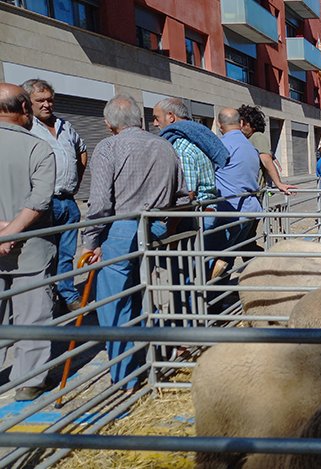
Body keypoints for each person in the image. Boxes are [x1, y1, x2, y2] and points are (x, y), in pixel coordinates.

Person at [81, 94, 186, 393]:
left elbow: (100, 203)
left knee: (115, 304)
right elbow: (181, 196)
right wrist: (166, 226)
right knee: (143, 297)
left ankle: (125, 377)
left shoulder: (108, 147)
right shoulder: (165, 146)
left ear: (109, 123)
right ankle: (142, 362)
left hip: (122, 229)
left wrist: (90, 241)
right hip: (156, 228)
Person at [0, 83, 56, 402]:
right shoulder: (38, 148)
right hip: (29, 250)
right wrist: (12, 233)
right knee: (33, 313)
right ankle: (29, 380)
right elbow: (40, 199)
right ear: (24, 109)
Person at [21, 79, 86, 312]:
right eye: (41, 100)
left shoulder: (65, 126)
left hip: (68, 201)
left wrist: (76, 181)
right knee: (44, 254)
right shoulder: (26, 127)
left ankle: (67, 295)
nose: (47, 104)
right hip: (43, 202)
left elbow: (82, 150)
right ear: (28, 102)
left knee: (67, 253)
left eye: (50, 99)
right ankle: (45, 300)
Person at [208, 107, 263, 278]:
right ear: (240, 123)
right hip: (249, 209)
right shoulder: (250, 146)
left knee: (214, 259)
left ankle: (212, 300)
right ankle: (219, 298)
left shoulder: (220, 145)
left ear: (219, 124)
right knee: (228, 257)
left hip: (228, 210)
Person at [153, 97, 218, 205]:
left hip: (196, 214)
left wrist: (170, 222)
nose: (155, 123)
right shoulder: (200, 137)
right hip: (206, 208)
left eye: (157, 118)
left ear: (170, 116)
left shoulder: (181, 147)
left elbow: (188, 194)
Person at [237, 104, 295, 195]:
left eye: (243, 123)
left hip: (253, 194)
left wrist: (279, 184)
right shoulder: (244, 139)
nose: (241, 127)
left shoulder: (258, 137)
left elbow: (266, 160)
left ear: (251, 125)